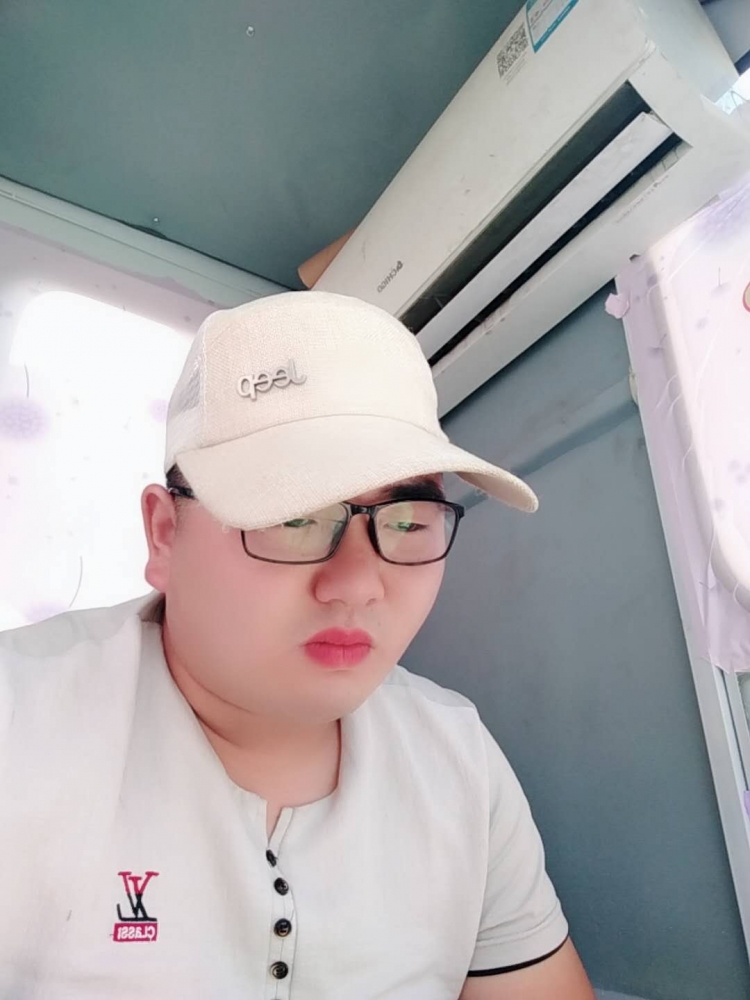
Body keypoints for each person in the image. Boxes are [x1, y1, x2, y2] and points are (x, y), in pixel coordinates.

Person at [0, 291, 594, 999]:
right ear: (164, 534)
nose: (358, 585)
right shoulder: (20, 723)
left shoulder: (457, 759)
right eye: (292, 517)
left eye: (408, 521)